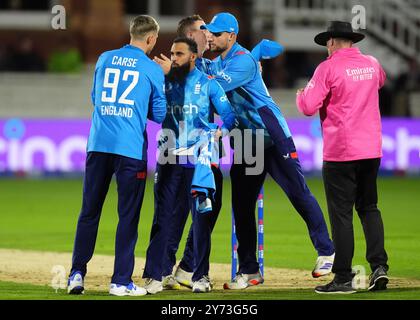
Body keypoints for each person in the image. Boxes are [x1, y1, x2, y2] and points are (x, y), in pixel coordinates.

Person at [200, 12, 335, 289]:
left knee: (297, 192)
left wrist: (194, 73)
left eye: (216, 33)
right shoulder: (220, 62)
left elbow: (210, 87)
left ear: (232, 36)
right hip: (248, 141)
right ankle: (250, 271)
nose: (211, 37)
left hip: (272, 134)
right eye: (209, 32)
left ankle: (326, 251)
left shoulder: (244, 61)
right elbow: (203, 72)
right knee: (242, 205)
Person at [67, 15, 166, 296]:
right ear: (151, 39)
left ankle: (76, 274)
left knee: (89, 212)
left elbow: (96, 98)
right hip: (129, 149)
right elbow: (158, 114)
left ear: (131, 33)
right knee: (128, 216)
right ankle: (120, 281)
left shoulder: (103, 58)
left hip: (98, 145)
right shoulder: (151, 69)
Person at [296, 21, 389, 294]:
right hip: (371, 149)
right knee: (369, 208)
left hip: (341, 153)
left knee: (341, 216)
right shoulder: (372, 63)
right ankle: (379, 268)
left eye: (328, 42)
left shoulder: (328, 67)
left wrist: (302, 95)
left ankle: (343, 278)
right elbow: (380, 82)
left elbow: (308, 107)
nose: (327, 47)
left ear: (333, 42)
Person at [142, 37, 236, 294]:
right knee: (162, 217)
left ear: (193, 57)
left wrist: (220, 131)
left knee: (201, 220)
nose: (173, 58)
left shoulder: (209, 85)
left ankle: (201, 277)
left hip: (199, 162)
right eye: (172, 54)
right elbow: (151, 110)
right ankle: (154, 276)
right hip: (169, 159)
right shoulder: (165, 82)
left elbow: (229, 116)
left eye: (179, 54)